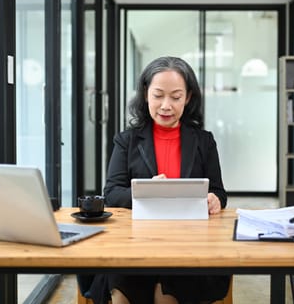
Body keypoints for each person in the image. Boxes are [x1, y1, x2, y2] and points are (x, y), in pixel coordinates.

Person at [89, 56, 230, 304]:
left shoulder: (203, 141)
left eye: (175, 97)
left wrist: (214, 199)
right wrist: (148, 191)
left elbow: (219, 192)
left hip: (188, 244)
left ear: (188, 98)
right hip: (134, 243)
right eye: (158, 95)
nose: (166, 105)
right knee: (122, 295)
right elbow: (111, 193)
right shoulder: (127, 140)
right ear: (145, 94)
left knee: (167, 296)